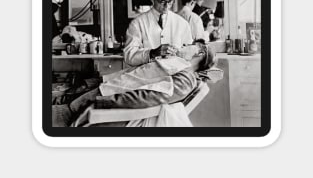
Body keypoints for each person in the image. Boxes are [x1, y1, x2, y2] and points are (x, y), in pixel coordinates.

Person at [52, 42, 219, 127]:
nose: (183, 45)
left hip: (100, 99)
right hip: (99, 87)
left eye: (188, 45)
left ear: (200, 53)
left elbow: (148, 98)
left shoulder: (186, 78)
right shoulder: (178, 65)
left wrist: (102, 102)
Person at [123, 0, 193, 66]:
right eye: (162, 1)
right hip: (148, 77)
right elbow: (129, 56)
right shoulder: (137, 23)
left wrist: (182, 53)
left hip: (175, 76)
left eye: (170, 1)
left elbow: (189, 55)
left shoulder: (182, 23)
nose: (167, 6)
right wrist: (152, 53)